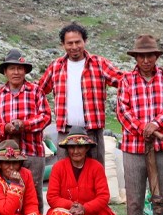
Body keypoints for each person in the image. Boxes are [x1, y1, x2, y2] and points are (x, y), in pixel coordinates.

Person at [116, 34, 163, 215]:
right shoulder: (126, 80)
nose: (146, 60)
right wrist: (143, 128)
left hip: (162, 147)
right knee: (134, 195)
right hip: (133, 147)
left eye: (150, 56)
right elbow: (122, 111)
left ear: (156, 56)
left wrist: (155, 124)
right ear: (136, 57)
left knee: (161, 194)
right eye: (141, 56)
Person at [36, 22, 122, 164]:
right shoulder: (56, 66)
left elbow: (124, 81)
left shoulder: (99, 64)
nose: (74, 47)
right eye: (70, 43)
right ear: (63, 44)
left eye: (78, 42)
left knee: (95, 174)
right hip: (65, 131)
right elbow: (38, 91)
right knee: (66, 175)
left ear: (85, 41)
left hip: (92, 131)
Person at [46, 129, 130, 215]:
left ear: (87, 148)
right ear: (67, 149)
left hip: (92, 214)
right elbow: (52, 197)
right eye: (72, 147)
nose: (76, 151)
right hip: (67, 213)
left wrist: (85, 209)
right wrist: (71, 206)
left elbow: (103, 196)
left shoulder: (96, 167)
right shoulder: (58, 168)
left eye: (80, 147)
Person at [0, 49, 52, 207]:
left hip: (32, 152)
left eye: (19, 68)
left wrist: (25, 125)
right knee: (9, 194)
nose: (16, 72)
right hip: (8, 157)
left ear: (25, 71)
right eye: (12, 68)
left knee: (33, 195)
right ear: (5, 72)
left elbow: (46, 116)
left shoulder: (36, 91)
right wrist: (4, 128)